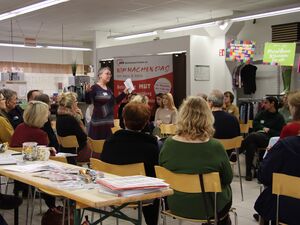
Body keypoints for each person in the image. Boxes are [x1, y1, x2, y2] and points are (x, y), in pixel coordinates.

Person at [159, 96, 233, 225]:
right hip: (210, 208)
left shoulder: (168, 144)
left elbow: (163, 174)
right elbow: (227, 178)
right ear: (208, 117)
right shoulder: (215, 146)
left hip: (175, 204)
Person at [101, 101, 159, 225]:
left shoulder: (110, 142)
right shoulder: (151, 147)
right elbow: (156, 173)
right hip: (143, 195)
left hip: (113, 191)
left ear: (124, 119)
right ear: (145, 123)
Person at [254, 135, 300, 225]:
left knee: (268, 199)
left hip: (282, 208)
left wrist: (270, 155)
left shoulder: (285, 145)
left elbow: (263, 176)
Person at [240, 96, 285, 181]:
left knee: (252, 136)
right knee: (251, 145)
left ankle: (239, 150)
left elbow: (280, 133)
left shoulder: (279, 117)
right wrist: (262, 127)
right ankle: (248, 173)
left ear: (272, 104)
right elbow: (255, 123)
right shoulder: (262, 113)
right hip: (258, 136)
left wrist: (269, 130)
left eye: (266, 102)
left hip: (269, 140)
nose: (264, 104)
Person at [85, 67, 127, 140]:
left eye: (110, 74)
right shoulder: (94, 87)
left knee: (108, 146)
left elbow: (115, 102)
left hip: (108, 122)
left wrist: (124, 93)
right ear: (100, 75)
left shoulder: (109, 89)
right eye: (107, 73)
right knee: (98, 147)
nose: (109, 76)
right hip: (98, 123)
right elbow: (88, 102)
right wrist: (87, 92)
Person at [56, 92, 90, 164]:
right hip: (76, 152)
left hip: (63, 150)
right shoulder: (71, 119)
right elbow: (84, 137)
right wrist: (80, 119)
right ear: (71, 104)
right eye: (75, 101)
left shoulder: (59, 116)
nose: (77, 103)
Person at [208, 90, 240, 160]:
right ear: (222, 102)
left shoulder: (207, 119)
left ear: (210, 103)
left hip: (211, 155)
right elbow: (238, 135)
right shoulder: (234, 118)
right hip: (229, 155)